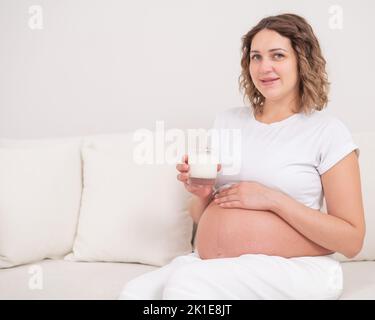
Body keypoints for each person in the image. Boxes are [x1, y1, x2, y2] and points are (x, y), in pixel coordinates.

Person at [119, 13, 365, 300]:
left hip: (297, 268)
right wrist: (201, 193)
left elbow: (351, 240)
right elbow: (203, 214)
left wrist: (271, 198)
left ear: (302, 60)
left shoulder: (327, 132)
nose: (264, 67)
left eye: (278, 55)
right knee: (134, 293)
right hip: (215, 262)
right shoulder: (228, 122)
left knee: (187, 287)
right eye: (256, 57)